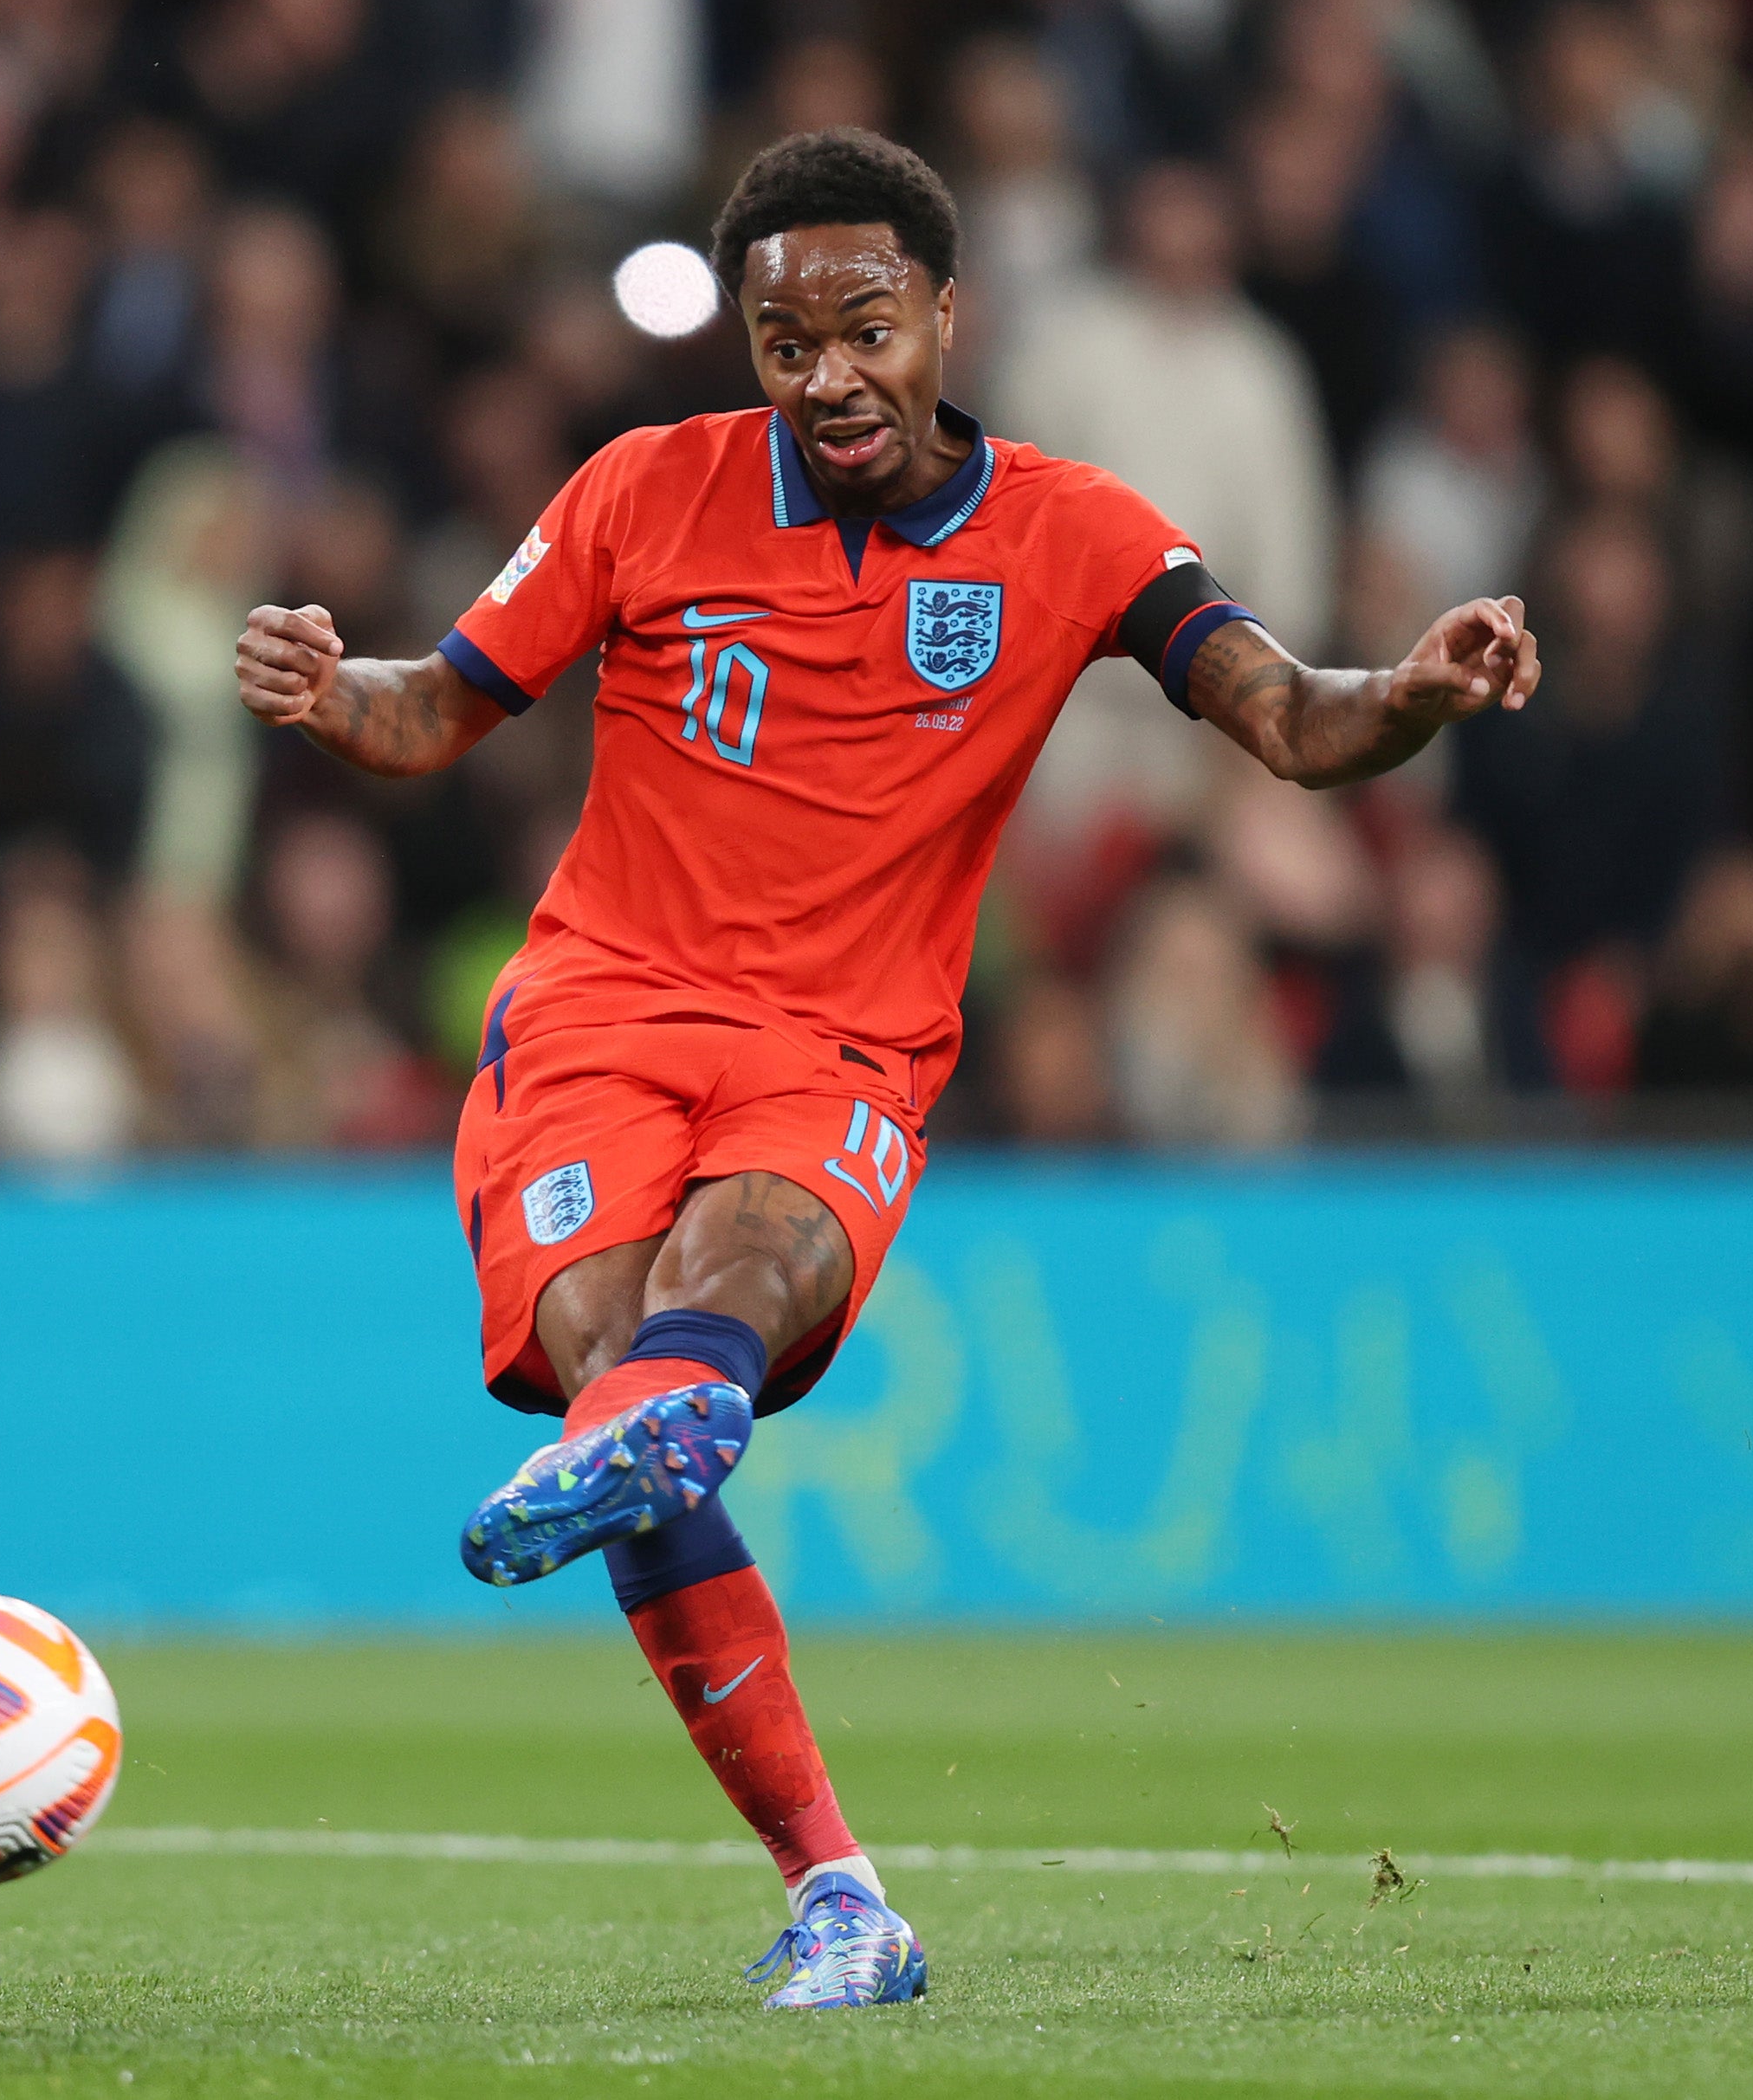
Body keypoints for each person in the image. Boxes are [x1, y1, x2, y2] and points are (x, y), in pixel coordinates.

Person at [233, 129, 1541, 2011]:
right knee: (626, 1381)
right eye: (782, 343)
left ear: (943, 312)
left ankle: (721, 1572)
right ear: (745, 350)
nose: (826, 376)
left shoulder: (1072, 533)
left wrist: (1404, 694)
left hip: (842, 1041)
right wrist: (321, 680)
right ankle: (836, 1891)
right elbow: (432, 706)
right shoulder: (640, 492)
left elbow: (1284, 718)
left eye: (862, 328)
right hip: (599, 1007)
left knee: (722, 1297)